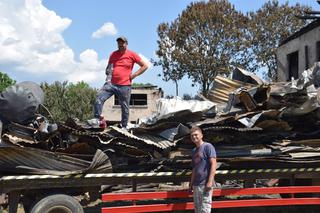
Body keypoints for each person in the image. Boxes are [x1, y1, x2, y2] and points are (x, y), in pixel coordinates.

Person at [93, 36, 148, 129]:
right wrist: (108, 72)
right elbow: (109, 68)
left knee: (124, 107)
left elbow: (145, 66)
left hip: (124, 85)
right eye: (119, 43)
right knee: (98, 98)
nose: (120, 45)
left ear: (126, 44)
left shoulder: (132, 54)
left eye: (122, 43)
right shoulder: (113, 54)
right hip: (111, 84)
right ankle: (99, 119)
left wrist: (134, 75)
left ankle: (124, 126)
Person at [189, 126, 217, 213]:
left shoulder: (208, 146)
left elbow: (214, 163)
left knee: (205, 209)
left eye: (196, 135)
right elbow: (194, 168)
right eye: (192, 135)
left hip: (205, 184)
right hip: (196, 185)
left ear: (201, 135)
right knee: (197, 209)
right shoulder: (194, 151)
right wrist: (191, 184)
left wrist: (209, 182)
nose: (194, 137)